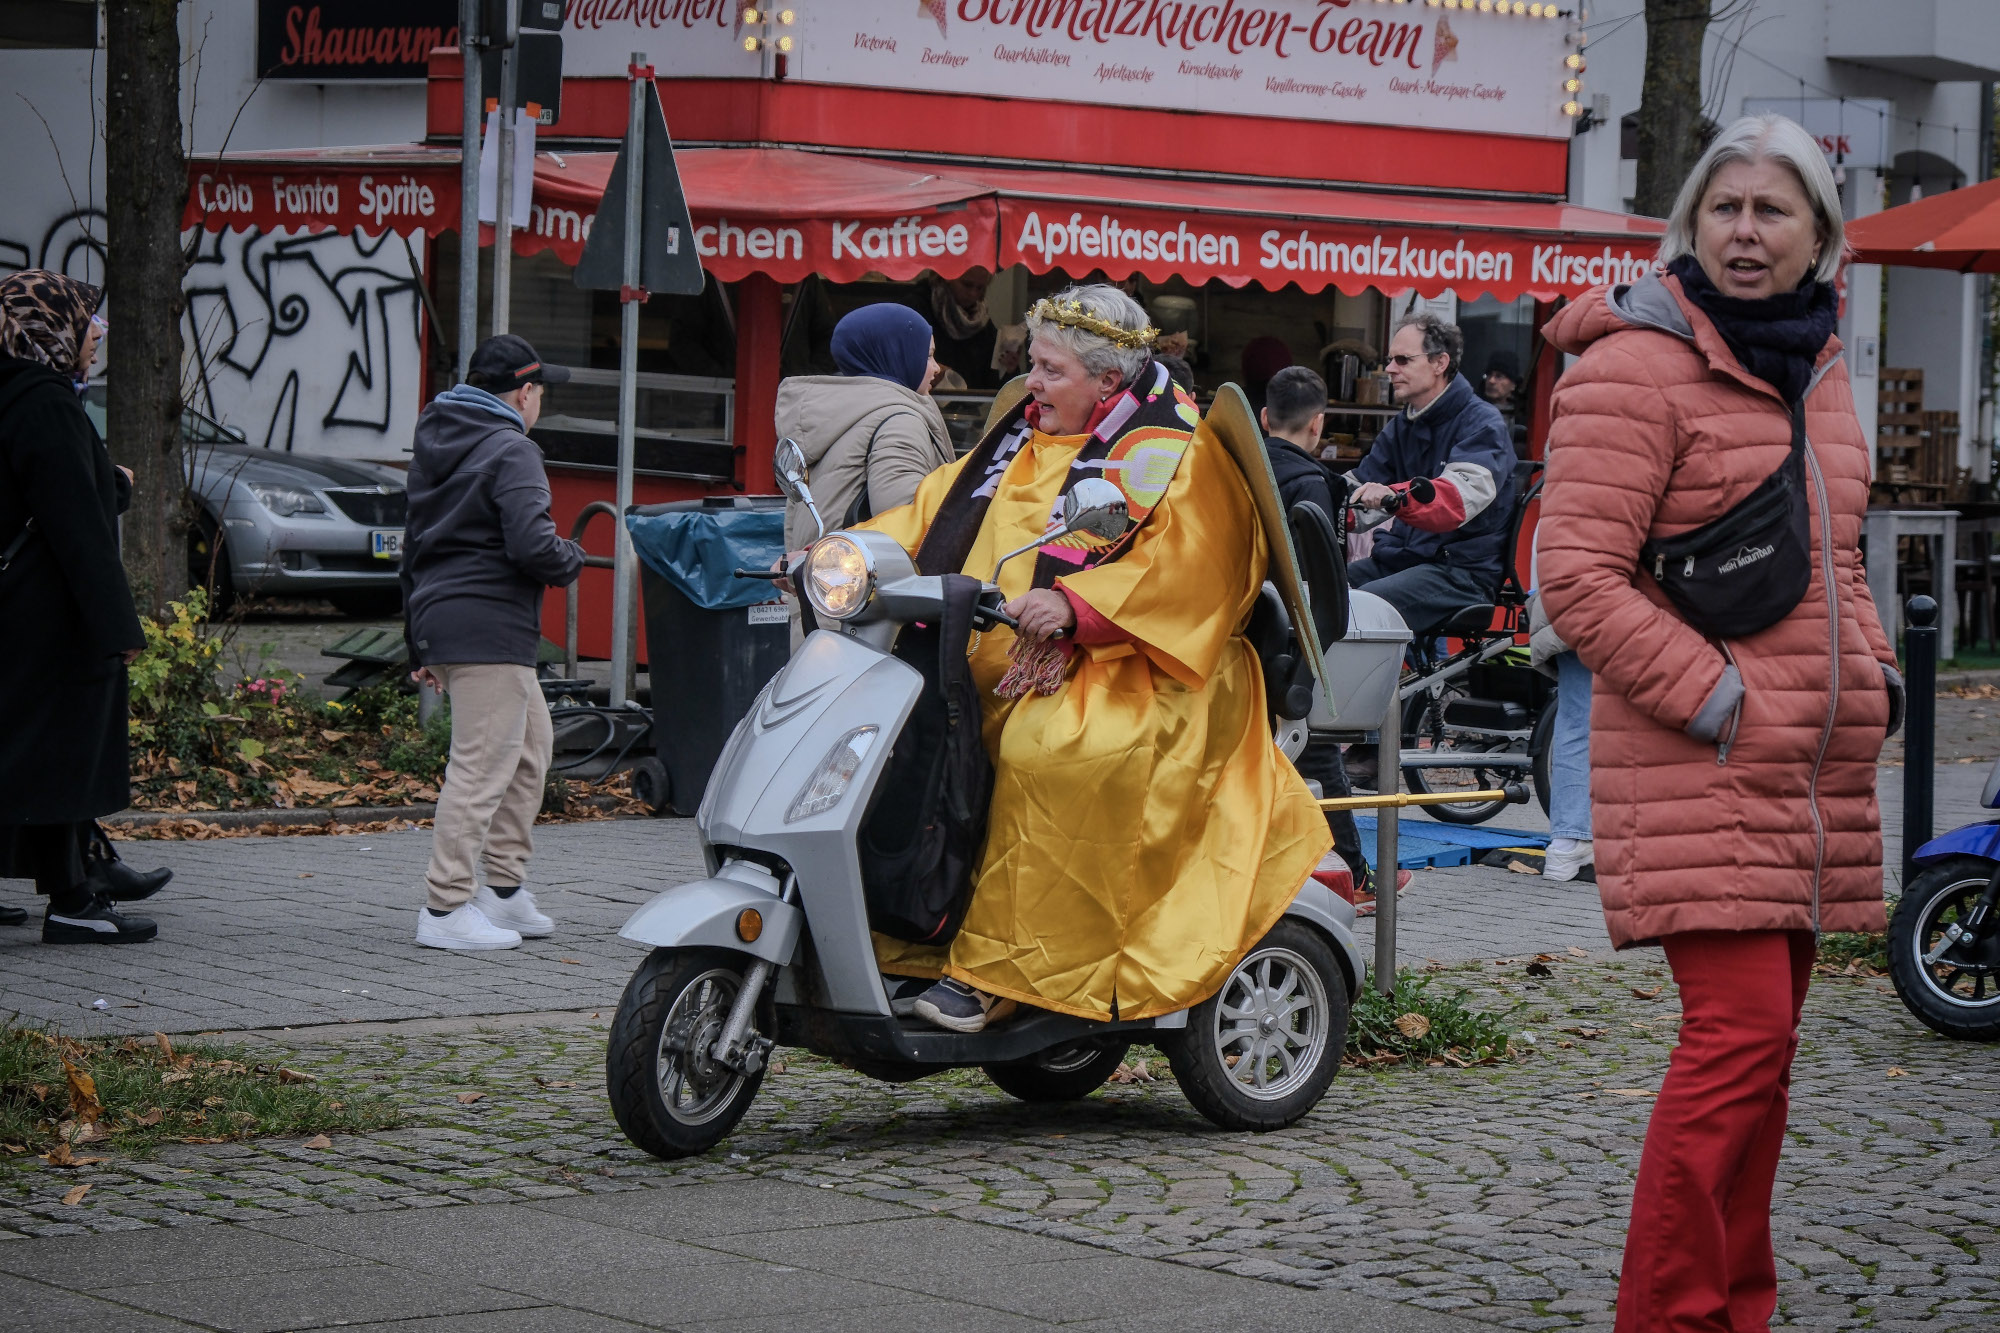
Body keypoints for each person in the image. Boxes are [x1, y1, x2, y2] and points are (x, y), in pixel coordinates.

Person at [1538, 114, 1898, 1332]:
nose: (1744, 232)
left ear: (1819, 237)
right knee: (1733, 1050)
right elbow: (1574, 576)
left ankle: (1734, 1307)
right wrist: (1714, 695)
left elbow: (1836, 556)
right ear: (1688, 222)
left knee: (1764, 1071)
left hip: (1810, 769)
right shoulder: (1631, 369)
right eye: (1723, 208)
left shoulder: (1821, 367)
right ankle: (1669, 1316)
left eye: (1771, 210)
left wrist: (1880, 679)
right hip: (1706, 759)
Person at [862, 283, 1330, 1033]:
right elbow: (927, 510)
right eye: (1033, 365)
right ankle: (915, 935)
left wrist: (1081, 607)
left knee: (1046, 753)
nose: (1030, 384)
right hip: (990, 655)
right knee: (902, 732)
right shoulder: (1020, 436)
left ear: (1108, 381)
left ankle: (1005, 971)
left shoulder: (1177, 450)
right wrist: (841, 552)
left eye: (1048, 370)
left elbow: (1200, 565)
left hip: (1136, 674)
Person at [401, 334, 585, 951]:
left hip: (452, 621)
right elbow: (534, 546)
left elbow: (414, 545)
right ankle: (446, 907)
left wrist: (419, 644)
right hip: (488, 627)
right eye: (541, 392)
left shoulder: (437, 442)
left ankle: (502, 891)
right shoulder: (514, 449)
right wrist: (572, 558)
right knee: (481, 769)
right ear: (525, 392)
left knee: (531, 747)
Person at [0, 271, 165, 943]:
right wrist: (118, 626)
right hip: (46, 616)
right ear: (55, 327)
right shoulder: (46, 404)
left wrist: (104, 482)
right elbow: (76, 529)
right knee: (58, 754)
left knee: (23, 753)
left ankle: (84, 878)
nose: (95, 333)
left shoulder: (12, 395)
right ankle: (74, 900)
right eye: (88, 320)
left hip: (16, 610)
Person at [1259, 365, 1408, 914]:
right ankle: (1354, 873)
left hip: (1243, 625)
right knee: (1318, 745)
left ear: (1263, 417)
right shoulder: (1310, 482)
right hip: (1292, 633)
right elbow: (1320, 576)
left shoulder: (1237, 466)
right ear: (1319, 425)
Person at [1342, 313, 1516, 638]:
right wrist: (1302, 496)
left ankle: (1371, 690)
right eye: (1390, 360)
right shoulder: (1403, 425)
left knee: (1359, 608)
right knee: (1315, 593)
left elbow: (1453, 502)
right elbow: (1355, 491)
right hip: (1408, 559)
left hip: (1462, 574)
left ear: (1440, 363)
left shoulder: (1483, 423)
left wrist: (1390, 498)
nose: (1390, 369)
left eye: (1403, 360)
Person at [775, 304, 953, 559]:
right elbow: (906, 518)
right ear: (896, 354)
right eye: (927, 356)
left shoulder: (842, 413)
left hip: (826, 580)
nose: (936, 368)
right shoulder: (899, 419)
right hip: (872, 587)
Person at [916, 268, 1001, 390]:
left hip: (968, 404)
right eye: (967, 285)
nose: (973, 294)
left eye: (980, 288)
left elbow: (991, 383)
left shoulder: (982, 323)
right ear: (947, 277)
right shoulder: (918, 309)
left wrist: (1007, 369)